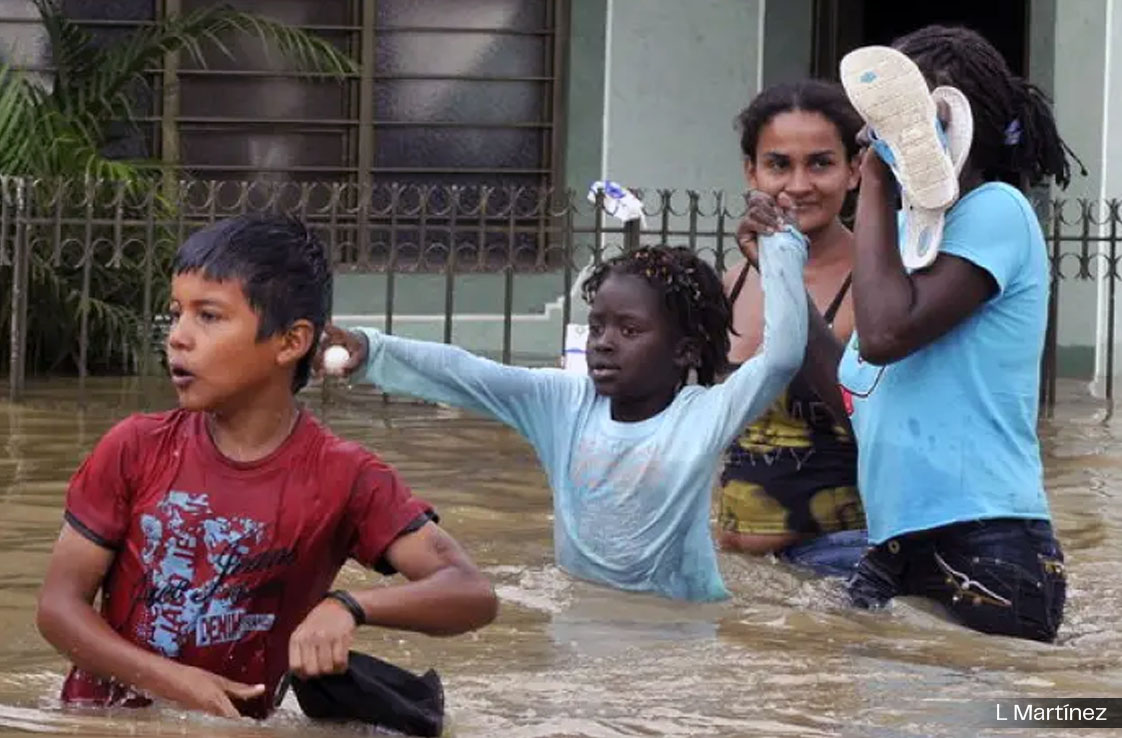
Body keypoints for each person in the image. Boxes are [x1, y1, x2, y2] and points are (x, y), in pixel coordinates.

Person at [35, 215, 498, 719]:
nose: (178, 338)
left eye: (208, 316)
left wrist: (348, 606)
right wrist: (176, 682)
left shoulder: (346, 477)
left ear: (290, 342)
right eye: (176, 314)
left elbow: (470, 592)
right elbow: (59, 609)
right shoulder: (134, 448)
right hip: (101, 724)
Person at [319, 240, 809, 602]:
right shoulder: (563, 404)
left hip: (680, 624)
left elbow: (782, 358)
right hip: (582, 607)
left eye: (629, 329)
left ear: (683, 351)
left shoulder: (704, 415)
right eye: (597, 325)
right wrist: (372, 351)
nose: (603, 341)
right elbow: (467, 373)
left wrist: (779, 248)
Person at [828, 26, 1073, 641]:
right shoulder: (910, 246)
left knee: (999, 721)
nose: (869, 135)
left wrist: (877, 183)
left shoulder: (996, 211)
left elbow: (885, 334)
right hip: (897, 547)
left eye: (892, 118)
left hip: (985, 541)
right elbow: (863, 383)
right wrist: (778, 263)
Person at [717, 80, 868, 577]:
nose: (798, 185)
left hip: (839, 568)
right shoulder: (731, 284)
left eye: (820, 163)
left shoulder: (877, 285)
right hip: (737, 569)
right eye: (778, 164)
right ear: (751, 172)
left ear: (855, 170)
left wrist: (779, 278)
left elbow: (879, 425)